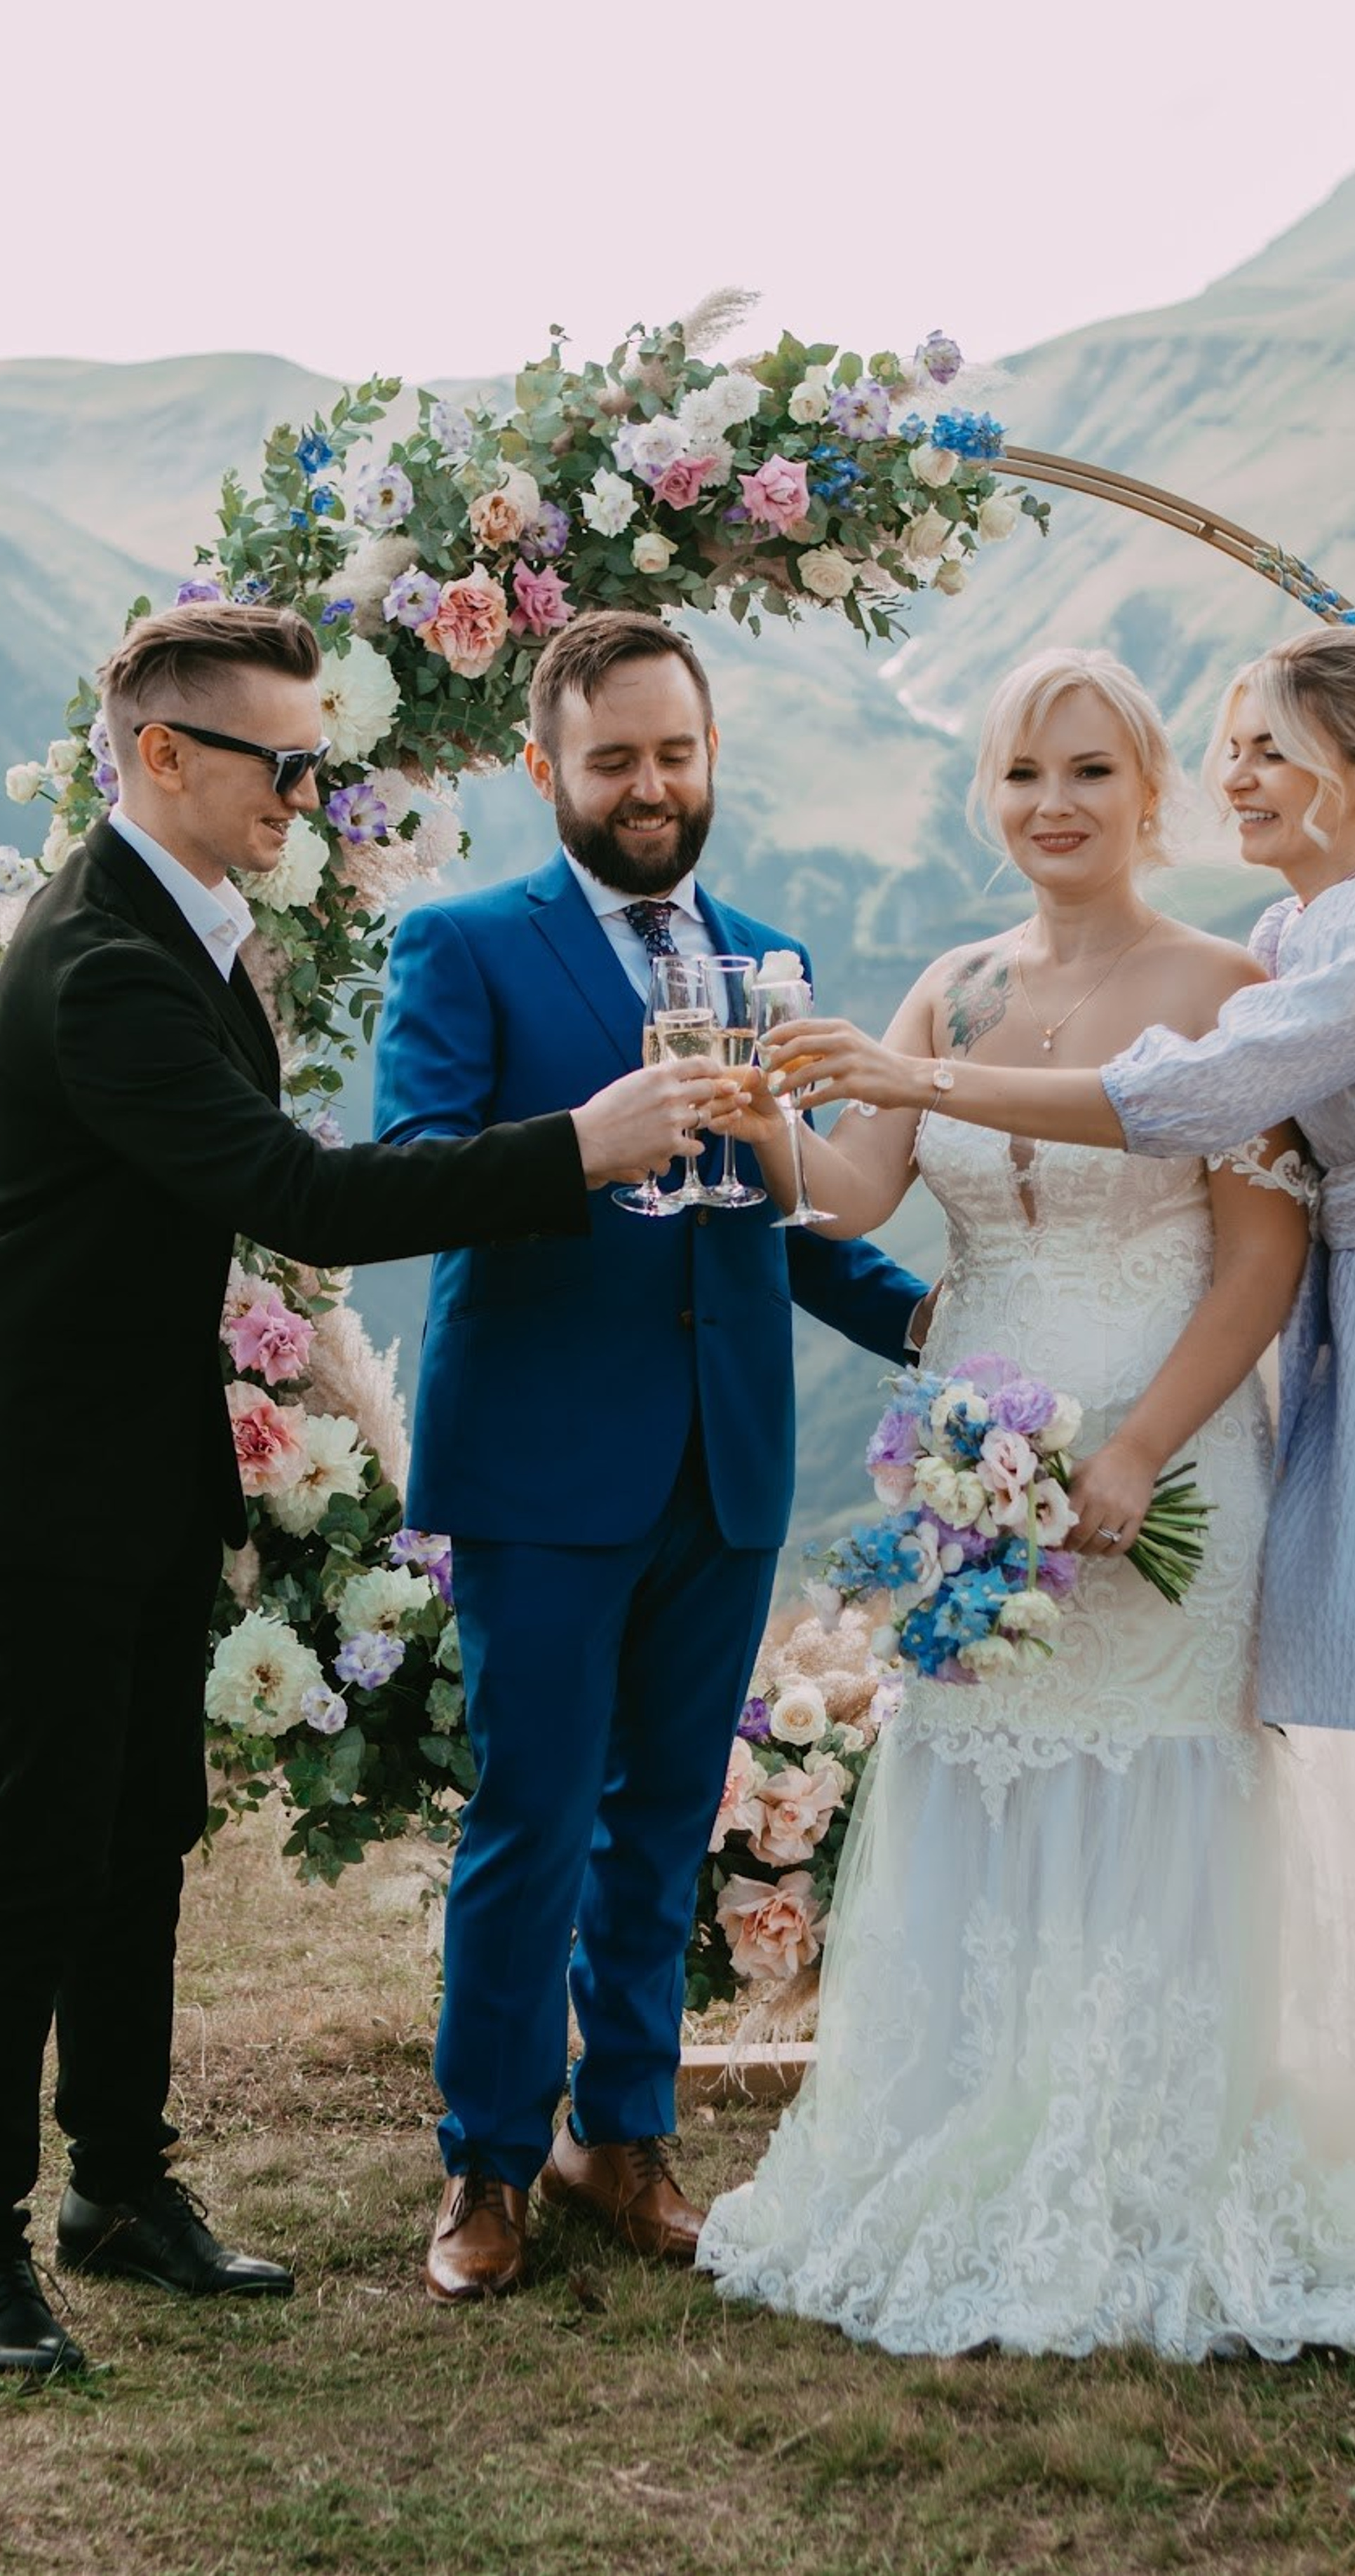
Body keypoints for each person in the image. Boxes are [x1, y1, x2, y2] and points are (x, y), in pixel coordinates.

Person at [701, 646, 1355, 2371]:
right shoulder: (1188, 948)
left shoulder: (1312, 955)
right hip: (1270, 1393)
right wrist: (754, 1114)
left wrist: (1135, 1445)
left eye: (1100, 769)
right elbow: (853, 1191)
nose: (1056, 802)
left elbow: (1213, 1170)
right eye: (1023, 772)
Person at [0, 602, 722, 2378]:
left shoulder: (182, 927)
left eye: (316, 759)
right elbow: (302, 1196)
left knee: (140, 1842)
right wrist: (577, 1148)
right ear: (162, 757)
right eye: (281, 763)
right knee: (38, 1868)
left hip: (141, 1462)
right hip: (36, 1474)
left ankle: (118, 2189)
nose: (306, 793)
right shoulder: (105, 961)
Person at [374, 609, 928, 2304]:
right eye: (611, 759)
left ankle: (618, 2136)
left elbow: (788, 1208)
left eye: (673, 755)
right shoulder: (462, 946)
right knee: (531, 1820)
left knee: (667, 1819)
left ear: (709, 758)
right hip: (540, 1460)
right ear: (543, 765)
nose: (647, 786)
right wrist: (580, 1144)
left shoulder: (767, 956)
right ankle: (484, 2159)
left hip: (723, 1457)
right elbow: (414, 1168)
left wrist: (923, 1322)